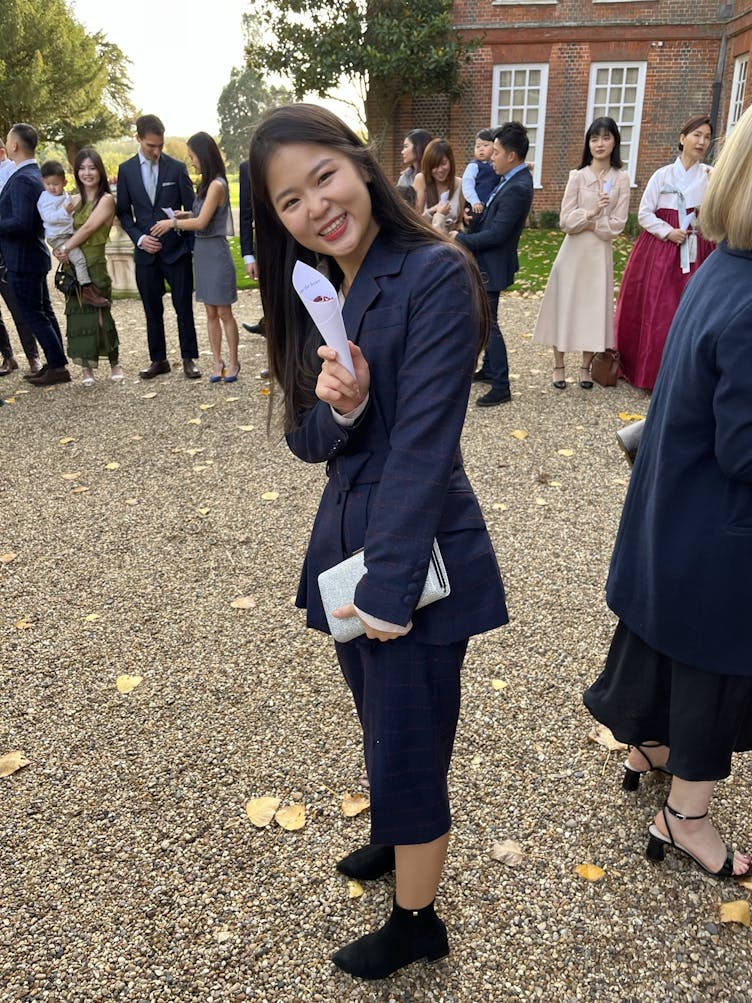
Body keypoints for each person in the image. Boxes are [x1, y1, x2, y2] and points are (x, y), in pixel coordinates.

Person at [249, 103, 508, 980]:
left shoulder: (434, 272)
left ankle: (417, 919)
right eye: (289, 200)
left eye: (322, 176)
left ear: (358, 164)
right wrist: (343, 406)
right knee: (383, 718)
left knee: (412, 734)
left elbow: (428, 443)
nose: (315, 207)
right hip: (348, 541)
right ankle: (394, 837)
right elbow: (306, 442)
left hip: (416, 553)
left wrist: (390, 589)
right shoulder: (319, 291)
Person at [583, 103, 752, 881]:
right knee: (716, 660)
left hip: (677, 503)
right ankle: (687, 812)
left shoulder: (726, 265)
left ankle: (647, 743)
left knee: (668, 634)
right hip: (719, 523)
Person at [614, 114, 715, 390]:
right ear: (683, 138)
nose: (701, 141)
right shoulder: (662, 175)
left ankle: (682, 378)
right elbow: (645, 214)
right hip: (659, 252)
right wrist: (667, 232)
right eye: (697, 135)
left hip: (696, 250)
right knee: (657, 309)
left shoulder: (710, 176)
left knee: (688, 311)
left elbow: (717, 215)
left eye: (706, 137)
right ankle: (647, 372)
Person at [533, 117, 630, 389]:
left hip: (599, 254)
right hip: (572, 253)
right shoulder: (577, 176)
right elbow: (565, 221)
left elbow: (617, 225)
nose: (600, 144)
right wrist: (591, 213)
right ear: (588, 143)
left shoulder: (621, 179)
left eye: (606, 137)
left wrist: (592, 222)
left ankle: (586, 367)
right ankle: (558, 364)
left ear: (615, 141)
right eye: (594, 138)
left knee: (593, 307)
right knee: (565, 303)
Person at [453, 122, 534, 407]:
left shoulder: (519, 186)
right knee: (488, 321)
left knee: (490, 325)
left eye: (496, 152)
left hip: (493, 263)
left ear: (511, 155)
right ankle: (489, 370)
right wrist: (473, 219)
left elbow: (499, 234)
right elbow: (492, 219)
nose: (491, 157)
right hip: (489, 261)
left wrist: (460, 238)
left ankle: (501, 385)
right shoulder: (510, 179)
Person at [116, 114, 201, 379]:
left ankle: (189, 359)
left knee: (183, 307)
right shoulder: (126, 170)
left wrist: (182, 236)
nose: (157, 151)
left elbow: (193, 209)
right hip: (145, 254)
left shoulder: (176, 168)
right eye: (151, 145)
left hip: (177, 252)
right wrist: (140, 239)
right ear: (138, 138)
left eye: (160, 145)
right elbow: (124, 213)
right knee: (152, 310)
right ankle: (158, 360)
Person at [152, 132, 239, 383]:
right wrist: (184, 214)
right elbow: (201, 214)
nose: (191, 161)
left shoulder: (217, 185)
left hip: (215, 252)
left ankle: (233, 361)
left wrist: (172, 224)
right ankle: (217, 361)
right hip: (202, 253)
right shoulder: (206, 184)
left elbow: (202, 223)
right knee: (210, 312)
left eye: (192, 156)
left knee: (224, 312)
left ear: (203, 155)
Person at [0, 123, 69, 386]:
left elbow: (20, 222)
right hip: (34, 255)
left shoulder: (21, 179)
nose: (6, 142)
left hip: (22, 258)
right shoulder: (35, 174)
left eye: (8, 139)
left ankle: (57, 366)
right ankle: (55, 362)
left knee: (35, 314)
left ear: (15, 146)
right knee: (45, 312)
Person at [54, 148, 123, 385]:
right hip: (74, 266)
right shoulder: (72, 200)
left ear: (100, 171)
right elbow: (54, 226)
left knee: (101, 315)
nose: (87, 173)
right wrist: (57, 248)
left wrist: (65, 247)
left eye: (92, 167)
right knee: (78, 317)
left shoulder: (106, 200)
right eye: (82, 168)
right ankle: (86, 370)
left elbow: (88, 229)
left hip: (95, 263)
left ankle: (114, 362)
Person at [38, 160, 109, 307]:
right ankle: (87, 290)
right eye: (48, 184)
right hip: (58, 237)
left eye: (55, 184)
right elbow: (49, 218)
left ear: (64, 182)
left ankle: (86, 287)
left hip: (68, 234)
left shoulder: (67, 196)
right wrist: (65, 211)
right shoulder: (45, 199)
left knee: (74, 259)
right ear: (42, 182)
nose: (51, 187)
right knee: (79, 260)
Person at [238, 157, 265, 337]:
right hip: (263, 247)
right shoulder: (247, 168)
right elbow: (245, 214)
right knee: (268, 298)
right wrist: (248, 255)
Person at [413, 139, 463, 232]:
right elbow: (415, 220)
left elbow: (459, 223)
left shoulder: (460, 184)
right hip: (425, 240)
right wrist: (434, 210)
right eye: (434, 166)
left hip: (450, 242)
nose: (440, 170)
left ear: (450, 161)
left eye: (444, 163)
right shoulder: (421, 179)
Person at [461, 128, 497, 230]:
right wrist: (474, 201)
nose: (481, 149)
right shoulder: (474, 166)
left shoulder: (496, 165)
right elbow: (467, 184)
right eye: (478, 146)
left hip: (490, 206)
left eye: (485, 145)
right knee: (475, 223)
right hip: (476, 206)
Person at [395, 128, 433, 205]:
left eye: (406, 146)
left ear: (418, 147)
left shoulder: (436, 176)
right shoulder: (405, 177)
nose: (402, 152)